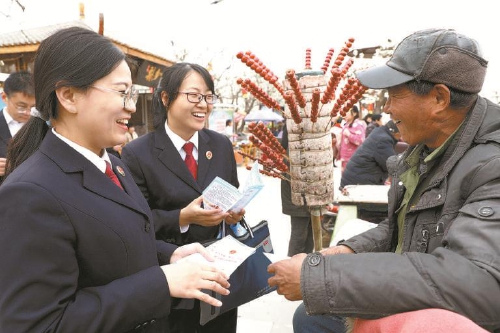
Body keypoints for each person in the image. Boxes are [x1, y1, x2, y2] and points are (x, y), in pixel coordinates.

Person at [268, 28, 500, 333]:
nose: (386, 109)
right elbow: (401, 228)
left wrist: (321, 277)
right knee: (311, 316)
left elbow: (477, 282)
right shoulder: (428, 150)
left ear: (439, 98)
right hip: (424, 302)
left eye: (393, 95)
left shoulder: (491, 165)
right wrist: (348, 252)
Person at [0, 27, 231, 333]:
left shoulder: (114, 166)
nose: (132, 106)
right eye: (122, 92)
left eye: (132, 93)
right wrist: (161, 282)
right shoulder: (29, 193)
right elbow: (39, 324)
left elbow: (117, 243)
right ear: (69, 96)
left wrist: (170, 254)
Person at [121, 62, 244, 333]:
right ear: (166, 98)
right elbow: (136, 221)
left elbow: (232, 192)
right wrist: (182, 217)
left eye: (208, 96)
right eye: (193, 95)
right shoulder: (137, 153)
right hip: (172, 277)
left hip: (220, 274)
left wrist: (235, 213)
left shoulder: (221, 144)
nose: (203, 104)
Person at [280, 123, 313, 256]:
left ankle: (306, 266)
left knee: (310, 232)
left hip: (309, 189)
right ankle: (292, 266)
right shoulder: (293, 153)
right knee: (299, 234)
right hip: (296, 192)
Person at [340, 120, 401, 189]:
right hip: (357, 186)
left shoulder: (380, 132)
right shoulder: (383, 140)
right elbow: (392, 166)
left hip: (355, 180)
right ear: (396, 133)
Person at [0, 71, 35, 183]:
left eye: (33, 107)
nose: (28, 112)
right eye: (21, 106)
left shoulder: (42, 125)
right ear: (4, 97)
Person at [338, 105, 365, 171]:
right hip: (344, 158)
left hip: (354, 159)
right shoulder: (346, 124)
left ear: (355, 113)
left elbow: (360, 140)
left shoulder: (358, 124)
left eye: (348, 111)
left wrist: (349, 134)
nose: (345, 113)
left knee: (351, 179)